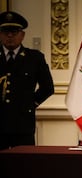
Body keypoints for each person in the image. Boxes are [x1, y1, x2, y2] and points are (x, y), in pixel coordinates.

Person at [0, 11, 54, 150]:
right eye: (5, 31)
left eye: (14, 31)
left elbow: (48, 88)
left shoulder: (34, 58)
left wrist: (30, 104)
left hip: (22, 124)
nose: (10, 35)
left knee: (24, 166)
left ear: (22, 35)